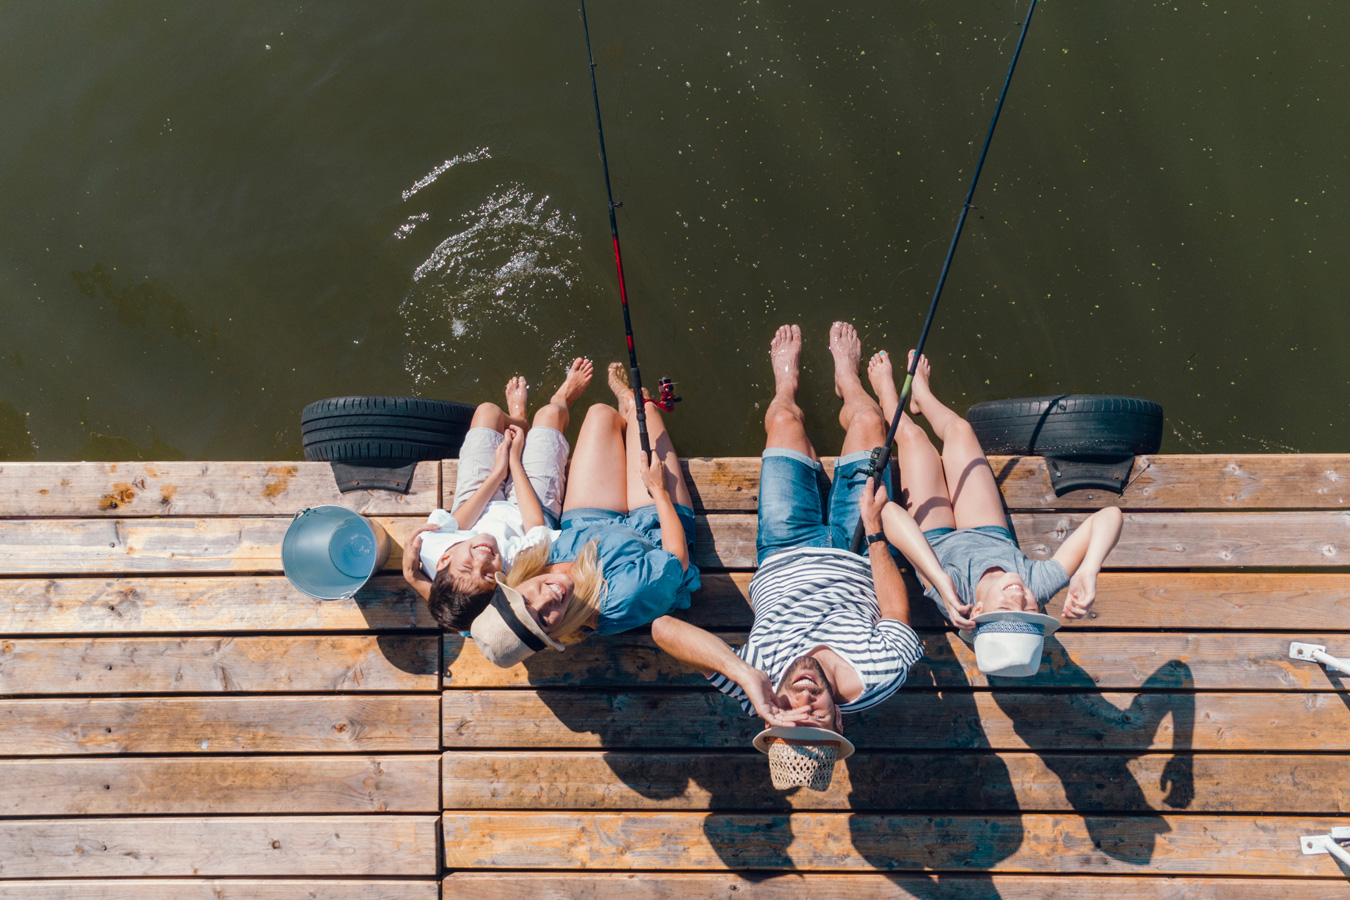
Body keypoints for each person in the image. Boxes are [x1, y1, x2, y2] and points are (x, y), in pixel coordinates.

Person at [649, 323, 956, 790]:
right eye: (819, 721)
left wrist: (742, 673)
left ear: (773, 716)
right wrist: (874, 533)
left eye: (792, 719)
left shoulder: (757, 682)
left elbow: (662, 628)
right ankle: (847, 382)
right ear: (840, 723)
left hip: (783, 550)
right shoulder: (882, 675)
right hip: (856, 548)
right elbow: (894, 611)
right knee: (870, 424)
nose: (804, 706)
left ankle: (786, 384)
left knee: (784, 424)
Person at [866, 348, 1123, 676]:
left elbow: (888, 514)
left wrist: (940, 578)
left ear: (979, 610)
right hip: (987, 529)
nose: (1020, 597)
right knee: (960, 431)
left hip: (934, 538)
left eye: (1006, 608)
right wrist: (1088, 570)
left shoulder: (956, 596)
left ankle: (888, 395)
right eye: (1031, 610)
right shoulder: (1036, 586)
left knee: (915, 441)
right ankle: (922, 396)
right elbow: (1109, 515)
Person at [469, 363, 701, 667]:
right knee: (642, 408)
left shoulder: (529, 564)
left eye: (526, 600)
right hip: (657, 531)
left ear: (514, 586)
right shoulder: (617, 601)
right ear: (556, 632)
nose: (547, 599)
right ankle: (632, 403)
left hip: (591, 524)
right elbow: (676, 557)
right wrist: (658, 491)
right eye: (544, 619)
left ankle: (625, 409)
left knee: (599, 413)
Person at [400, 359, 593, 631]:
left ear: (444, 561)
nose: (483, 560)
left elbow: (459, 524)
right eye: (488, 574)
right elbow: (535, 525)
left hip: (478, 504)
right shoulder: (511, 569)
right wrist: (513, 461)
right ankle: (563, 399)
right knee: (549, 415)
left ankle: (520, 421)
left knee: (487, 412)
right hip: (528, 513)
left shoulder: (431, 549)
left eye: (467, 568)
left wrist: (497, 473)